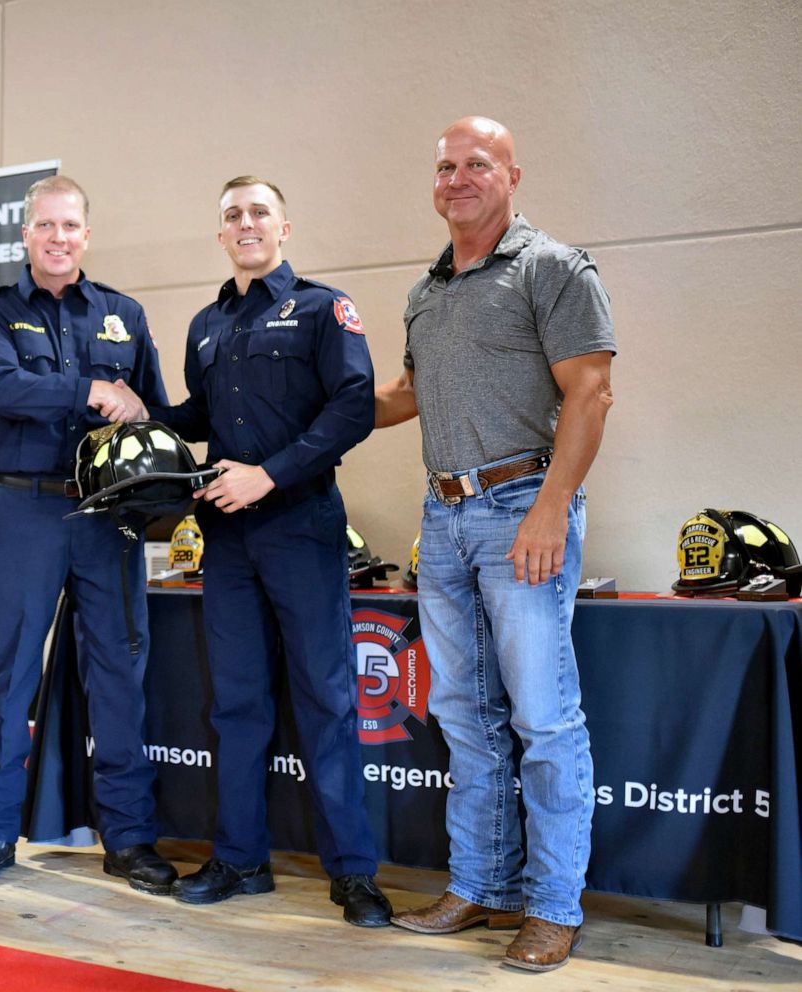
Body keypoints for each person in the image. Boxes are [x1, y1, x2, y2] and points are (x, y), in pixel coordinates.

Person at [375, 117, 616, 970]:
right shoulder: (427, 290)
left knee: (544, 721)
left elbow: (590, 394)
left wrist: (550, 511)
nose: (457, 178)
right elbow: (407, 392)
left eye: (476, 164)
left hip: (524, 510)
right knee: (464, 719)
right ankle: (478, 886)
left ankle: (553, 906)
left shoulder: (553, 268)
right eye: (445, 166)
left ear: (512, 174)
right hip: (442, 522)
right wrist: (321, 406)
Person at [150, 176, 391, 927]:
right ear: (221, 234)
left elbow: (354, 404)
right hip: (225, 540)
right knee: (238, 703)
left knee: (326, 697)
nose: (245, 224)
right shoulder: (204, 325)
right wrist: (145, 415)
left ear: (284, 226)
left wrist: (269, 475)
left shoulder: (324, 309)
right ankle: (240, 858)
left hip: (303, 526)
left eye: (258, 212)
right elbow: (201, 414)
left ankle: (353, 873)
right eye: (232, 216)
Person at [0, 175, 177, 896]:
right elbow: (3, 390)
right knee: (10, 670)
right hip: (25, 513)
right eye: (45, 226)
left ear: (87, 232)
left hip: (107, 517)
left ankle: (130, 838)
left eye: (70, 226)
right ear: (26, 234)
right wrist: (89, 390)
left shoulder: (124, 314)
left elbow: (154, 413)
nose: (58, 238)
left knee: (118, 673)